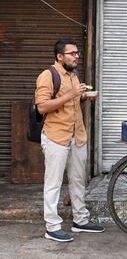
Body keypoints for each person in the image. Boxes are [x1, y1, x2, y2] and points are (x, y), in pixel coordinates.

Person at [35, 39, 104, 242]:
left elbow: (71, 100)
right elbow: (42, 107)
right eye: (72, 53)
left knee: (77, 180)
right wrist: (72, 94)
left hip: (77, 135)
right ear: (59, 56)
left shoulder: (73, 75)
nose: (76, 57)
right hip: (56, 136)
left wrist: (83, 97)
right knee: (53, 183)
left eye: (77, 53)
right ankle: (52, 226)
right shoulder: (48, 76)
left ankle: (80, 220)